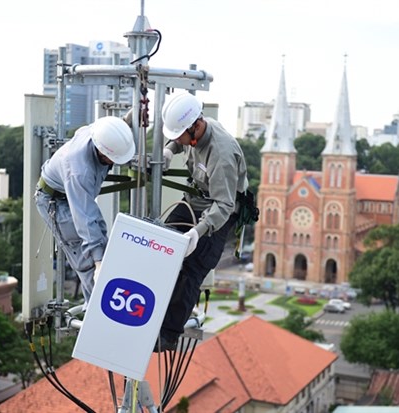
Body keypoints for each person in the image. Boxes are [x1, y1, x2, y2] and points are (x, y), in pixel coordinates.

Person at [156, 92, 248, 352]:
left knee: (192, 270)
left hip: (218, 214)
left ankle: (168, 335)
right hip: (195, 201)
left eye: (178, 137)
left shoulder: (221, 155)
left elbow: (225, 205)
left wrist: (198, 232)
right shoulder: (192, 132)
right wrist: (169, 149)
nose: (176, 140)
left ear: (195, 127)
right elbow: (178, 141)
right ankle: (151, 310)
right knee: (163, 248)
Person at [35, 116, 135, 304]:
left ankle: (106, 304)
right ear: (100, 151)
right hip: (57, 203)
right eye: (111, 159)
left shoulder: (100, 133)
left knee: (103, 245)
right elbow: (84, 219)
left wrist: (130, 118)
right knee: (88, 260)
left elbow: (113, 132)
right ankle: (99, 315)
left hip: (69, 195)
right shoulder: (80, 171)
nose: (112, 164)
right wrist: (98, 262)